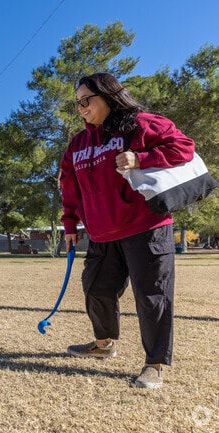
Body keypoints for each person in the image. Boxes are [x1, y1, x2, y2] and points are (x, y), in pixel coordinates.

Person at [59, 72, 195, 389]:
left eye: (86, 100)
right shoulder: (78, 143)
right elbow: (70, 185)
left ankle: (155, 363)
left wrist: (141, 157)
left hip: (146, 226)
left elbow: (183, 147)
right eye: (76, 103)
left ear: (108, 96)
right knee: (95, 287)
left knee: (152, 298)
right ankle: (104, 344)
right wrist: (70, 223)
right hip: (102, 232)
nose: (81, 107)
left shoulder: (142, 124)